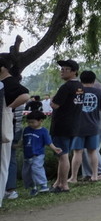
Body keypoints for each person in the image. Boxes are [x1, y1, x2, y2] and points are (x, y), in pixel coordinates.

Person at [49, 59, 84, 192]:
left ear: (74, 72)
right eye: (62, 69)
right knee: (63, 154)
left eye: (66, 69)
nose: (62, 71)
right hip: (73, 125)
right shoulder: (80, 87)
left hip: (62, 125)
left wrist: (52, 99)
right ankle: (58, 182)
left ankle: (64, 184)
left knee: (62, 155)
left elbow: (55, 104)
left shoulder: (66, 87)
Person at [68, 70, 101, 183]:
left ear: (81, 80)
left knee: (77, 152)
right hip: (94, 125)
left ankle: (73, 177)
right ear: (94, 81)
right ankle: (94, 175)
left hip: (78, 126)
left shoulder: (77, 92)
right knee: (92, 151)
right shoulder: (100, 93)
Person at [1, 55, 29, 201]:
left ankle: (8, 190)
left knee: (7, 160)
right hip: (9, 127)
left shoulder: (9, 82)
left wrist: (8, 108)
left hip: (8, 128)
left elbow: (25, 95)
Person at [22, 111, 61, 195]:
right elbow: (23, 141)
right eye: (28, 122)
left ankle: (43, 185)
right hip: (27, 155)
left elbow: (48, 142)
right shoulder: (26, 129)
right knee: (27, 172)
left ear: (40, 121)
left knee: (36, 168)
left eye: (33, 122)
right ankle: (33, 187)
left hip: (38, 154)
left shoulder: (43, 131)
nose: (30, 124)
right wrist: (16, 145)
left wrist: (55, 149)